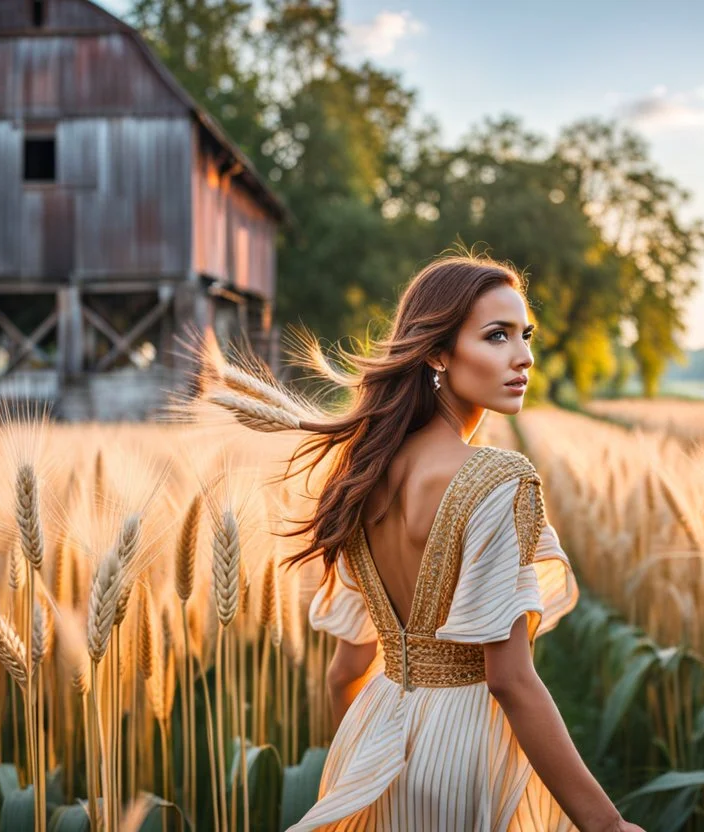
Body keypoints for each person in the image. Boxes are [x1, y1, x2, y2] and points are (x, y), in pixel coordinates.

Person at [192, 254, 646, 831]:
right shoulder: (499, 479)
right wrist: (608, 825)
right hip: (463, 751)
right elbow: (509, 679)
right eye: (497, 336)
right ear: (437, 352)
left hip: (375, 736)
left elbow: (342, 675)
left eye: (524, 336)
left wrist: (369, 759)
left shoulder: (361, 476)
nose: (524, 356)